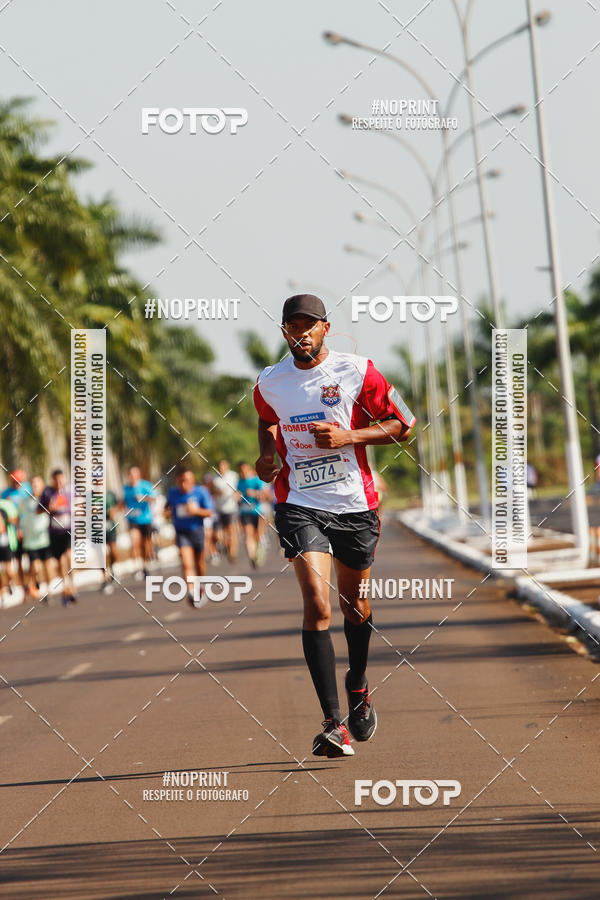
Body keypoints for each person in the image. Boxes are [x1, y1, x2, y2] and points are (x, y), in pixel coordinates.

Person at [253, 294, 415, 758]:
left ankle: (358, 683)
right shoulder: (270, 381)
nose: (301, 334)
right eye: (293, 327)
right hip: (299, 502)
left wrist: (351, 435)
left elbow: (404, 423)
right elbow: (267, 423)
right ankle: (332, 723)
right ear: (284, 332)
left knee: (355, 606)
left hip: (354, 505)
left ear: (326, 328)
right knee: (317, 605)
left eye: (309, 326)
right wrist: (267, 454)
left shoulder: (358, 370)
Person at [165, 467, 213, 607]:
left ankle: (200, 587)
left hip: (197, 531)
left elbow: (209, 512)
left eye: (186, 481)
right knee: (186, 563)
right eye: (181, 481)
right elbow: (167, 509)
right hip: (181, 532)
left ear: (192, 480)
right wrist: (167, 513)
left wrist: (195, 511)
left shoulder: (201, 492)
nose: (184, 484)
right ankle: (192, 593)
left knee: (199, 563)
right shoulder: (173, 493)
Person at [40, 469, 77, 605]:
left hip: (69, 529)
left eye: (61, 479)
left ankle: (73, 585)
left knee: (69, 556)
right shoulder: (48, 492)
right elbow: (40, 509)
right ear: (52, 480)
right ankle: (65, 587)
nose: (59, 482)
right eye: (57, 480)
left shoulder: (71, 490)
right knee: (61, 560)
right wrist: (50, 508)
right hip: (55, 531)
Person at [19, 475, 53, 601]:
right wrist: (19, 529)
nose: (35, 486)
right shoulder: (25, 501)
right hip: (31, 540)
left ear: (42, 485)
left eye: (37, 484)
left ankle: (48, 591)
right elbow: (19, 517)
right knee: (36, 567)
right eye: (33, 484)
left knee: (48, 566)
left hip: (45, 538)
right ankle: (35, 583)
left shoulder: (47, 499)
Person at [122, 466, 155, 580]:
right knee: (135, 541)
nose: (132, 476)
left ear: (139, 474)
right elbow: (123, 501)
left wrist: (144, 498)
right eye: (130, 474)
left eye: (134, 474)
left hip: (146, 519)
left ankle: (145, 566)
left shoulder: (146, 485)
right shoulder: (126, 488)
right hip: (133, 520)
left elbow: (154, 498)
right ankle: (138, 567)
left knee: (146, 545)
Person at [2, 469, 31, 587]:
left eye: (19, 482)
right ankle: (23, 585)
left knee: (32, 559)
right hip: (13, 531)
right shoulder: (5, 494)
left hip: (28, 528)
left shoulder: (28, 489)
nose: (16, 484)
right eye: (14, 482)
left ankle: (32, 582)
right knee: (18, 560)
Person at [237, 463, 267, 568]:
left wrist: (254, 493)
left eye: (245, 470)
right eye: (241, 471)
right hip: (245, 512)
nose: (243, 473)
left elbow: (265, 496)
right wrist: (237, 497)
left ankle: (259, 550)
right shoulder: (240, 482)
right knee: (248, 534)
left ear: (249, 469)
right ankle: (252, 557)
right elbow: (238, 497)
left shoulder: (256, 480)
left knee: (257, 535)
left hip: (257, 511)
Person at [211, 459, 239, 562]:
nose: (221, 468)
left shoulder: (233, 476)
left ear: (227, 466)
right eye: (219, 467)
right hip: (219, 509)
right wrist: (216, 492)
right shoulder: (214, 478)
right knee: (219, 534)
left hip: (231, 508)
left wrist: (238, 495)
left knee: (231, 530)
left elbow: (239, 489)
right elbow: (211, 490)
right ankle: (226, 545)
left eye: (223, 466)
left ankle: (232, 553)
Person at [0, 494, 19, 605]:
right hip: (4, 543)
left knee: (8, 569)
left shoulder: (2, 511)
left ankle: (12, 585)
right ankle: (3, 594)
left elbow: (7, 524)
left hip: (5, 543)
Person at [102, 488, 118, 593]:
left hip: (110, 526)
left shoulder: (110, 494)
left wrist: (111, 511)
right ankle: (105, 577)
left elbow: (115, 508)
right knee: (101, 553)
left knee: (113, 551)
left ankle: (112, 570)